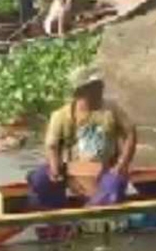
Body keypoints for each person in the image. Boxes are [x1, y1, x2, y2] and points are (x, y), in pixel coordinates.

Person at [27, 66, 137, 209]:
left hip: (104, 171)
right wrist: (55, 168)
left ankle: (91, 211)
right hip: (71, 172)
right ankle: (54, 213)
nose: (101, 89)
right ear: (80, 92)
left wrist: (122, 164)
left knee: (115, 184)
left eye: (100, 85)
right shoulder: (61, 115)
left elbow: (130, 132)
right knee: (40, 178)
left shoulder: (111, 109)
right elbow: (51, 146)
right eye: (96, 86)